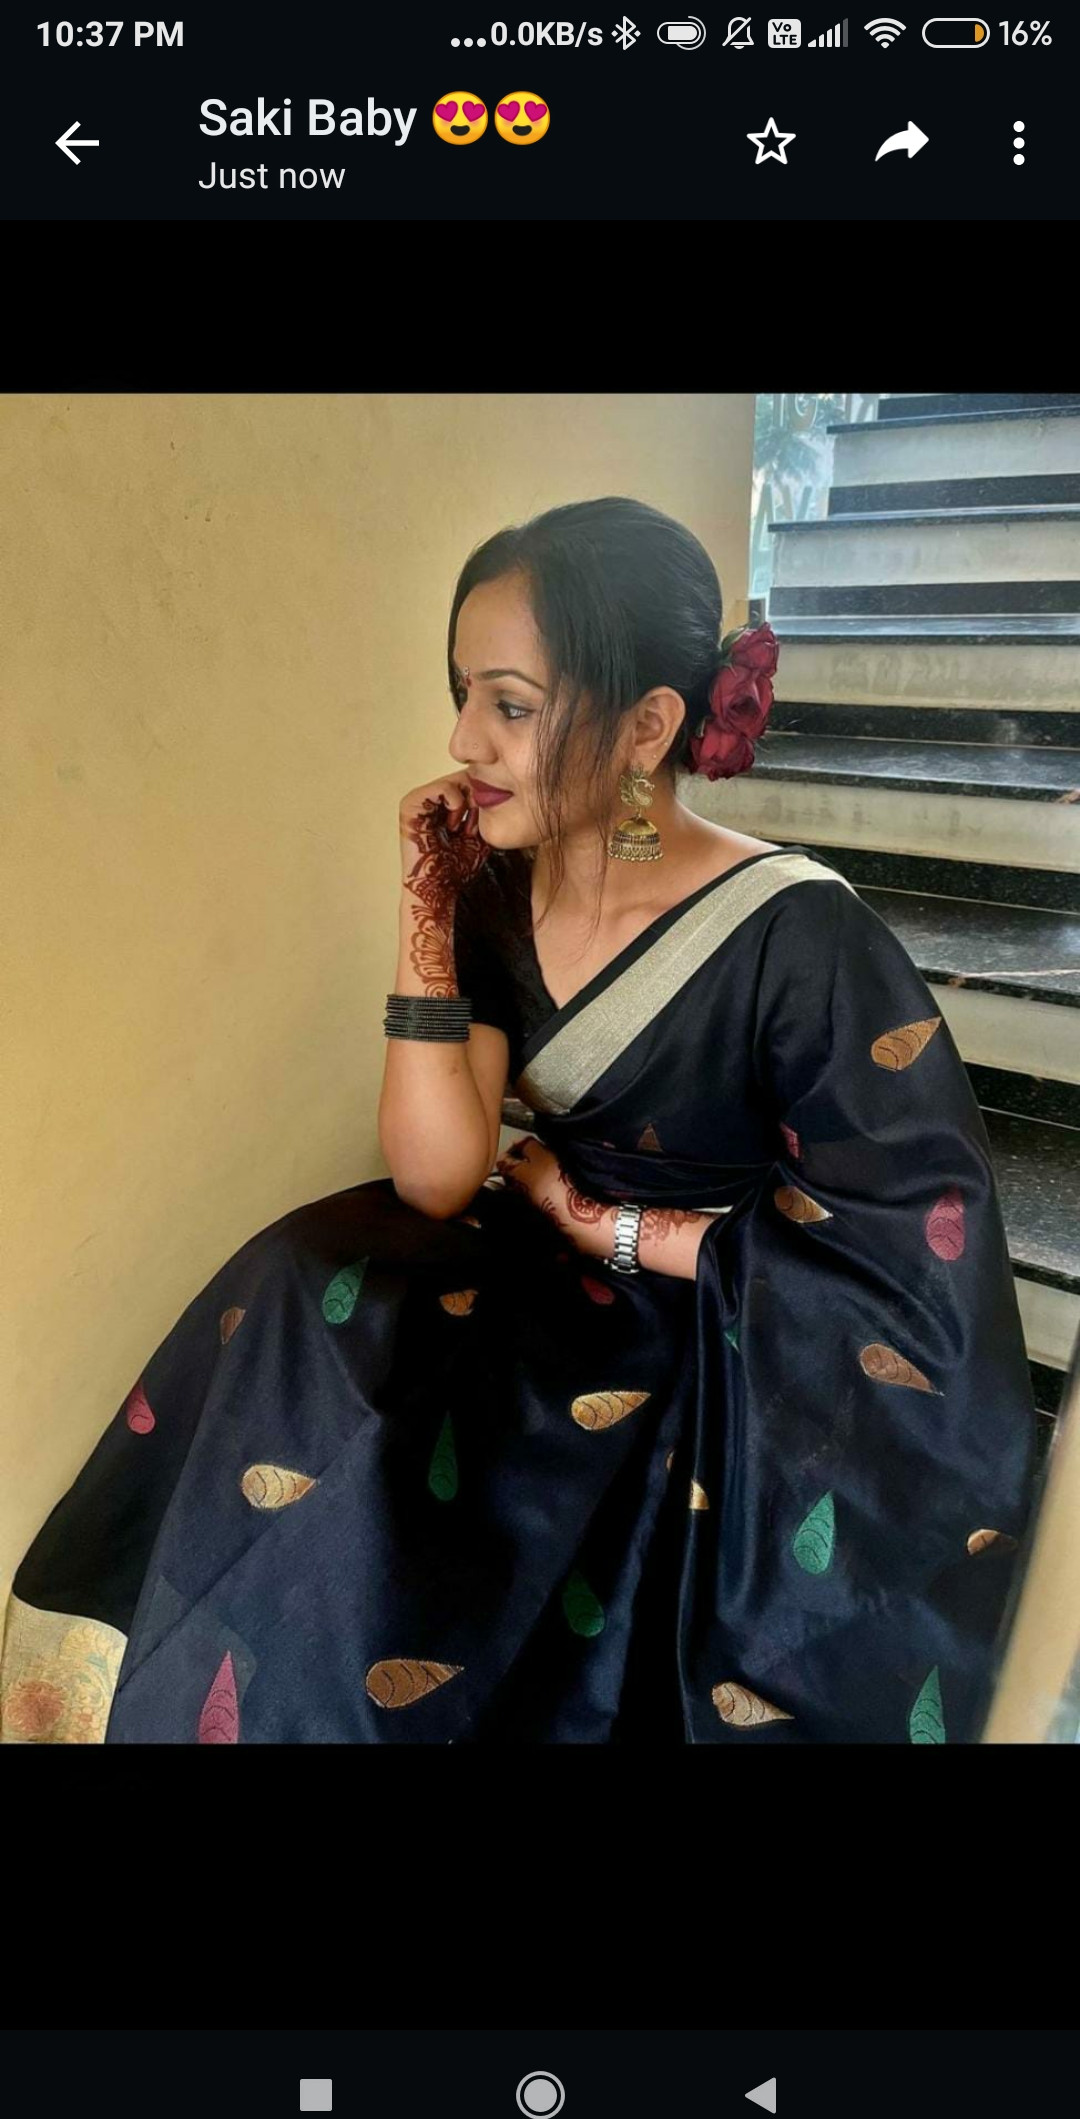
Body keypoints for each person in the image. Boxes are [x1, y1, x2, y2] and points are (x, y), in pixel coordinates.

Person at [0, 496, 1039, 1744]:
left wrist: (599, 1222)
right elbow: (438, 1177)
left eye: (511, 704)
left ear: (648, 724)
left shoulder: (802, 936)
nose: (461, 739)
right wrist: (426, 906)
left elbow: (897, 1254)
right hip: (539, 1271)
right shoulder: (498, 896)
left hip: (722, 1323)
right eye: (462, 694)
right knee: (305, 1293)